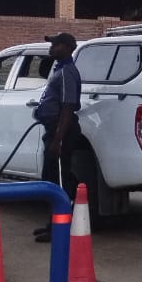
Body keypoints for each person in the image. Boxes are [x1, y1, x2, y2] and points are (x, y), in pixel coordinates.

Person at [32, 32, 81, 242]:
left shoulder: (67, 72)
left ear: (67, 48)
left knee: (59, 182)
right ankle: (52, 224)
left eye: (56, 44)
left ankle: (59, 230)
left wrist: (58, 140)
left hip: (61, 132)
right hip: (53, 130)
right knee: (50, 178)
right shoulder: (59, 69)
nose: (52, 48)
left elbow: (68, 107)